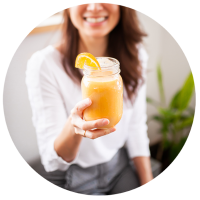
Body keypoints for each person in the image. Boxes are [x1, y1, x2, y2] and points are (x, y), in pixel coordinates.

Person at [26, 3, 154, 195]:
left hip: (118, 164)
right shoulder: (44, 64)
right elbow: (52, 160)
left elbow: (136, 127)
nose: (94, 7)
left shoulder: (135, 54)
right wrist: (74, 127)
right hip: (74, 174)